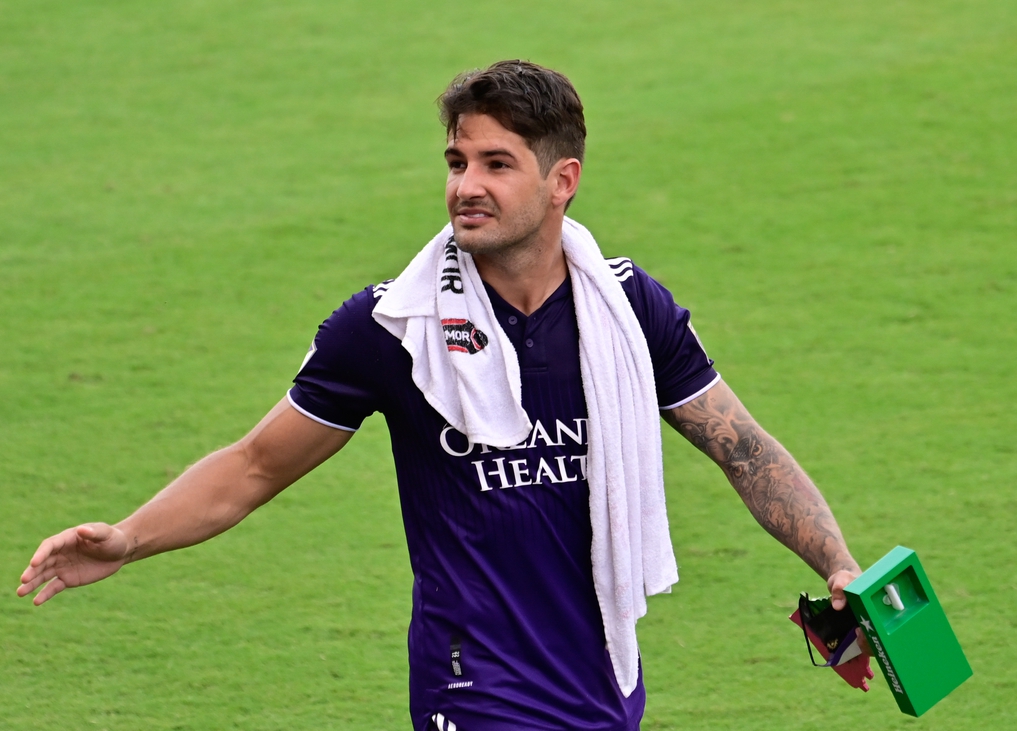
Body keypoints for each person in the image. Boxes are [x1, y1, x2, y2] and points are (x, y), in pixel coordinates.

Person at [18, 60, 865, 730]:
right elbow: (253, 465)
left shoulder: (628, 310)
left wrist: (835, 561)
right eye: (458, 161)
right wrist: (129, 538)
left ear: (562, 179)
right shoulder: (394, 326)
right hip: (475, 682)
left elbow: (742, 446)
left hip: (604, 674)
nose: (467, 184)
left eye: (497, 163)